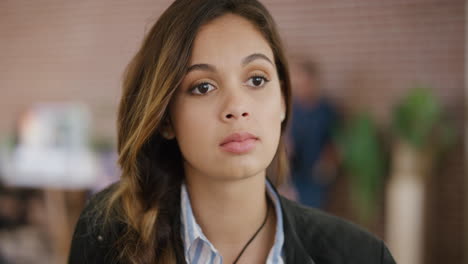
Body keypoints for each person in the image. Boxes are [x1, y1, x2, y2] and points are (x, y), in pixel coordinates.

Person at [68, 0, 396, 263]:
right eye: (203, 86)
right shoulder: (107, 233)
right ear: (165, 119)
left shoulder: (363, 255)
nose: (237, 107)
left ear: (282, 100)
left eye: (256, 79)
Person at [288, 58, 340, 208]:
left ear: (313, 80)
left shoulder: (326, 110)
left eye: (302, 81)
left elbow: (335, 142)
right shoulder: (292, 109)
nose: (299, 87)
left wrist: (329, 161)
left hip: (317, 175)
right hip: (294, 173)